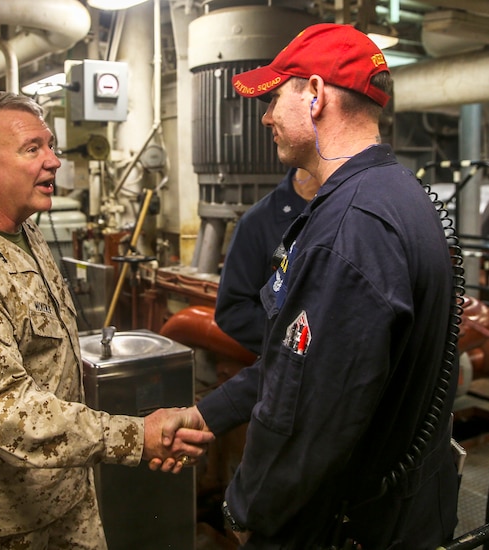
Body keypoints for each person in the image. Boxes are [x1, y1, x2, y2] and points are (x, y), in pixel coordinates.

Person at [155, 23, 459, 549]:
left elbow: (309, 420)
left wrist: (246, 508)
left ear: (315, 95)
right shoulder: (399, 194)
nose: (267, 116)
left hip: (350, 528)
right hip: (404, 512)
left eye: (275, 99)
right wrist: (204, 413)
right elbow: (298, 364)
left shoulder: (348, 229)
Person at [0, 91, 213, 549]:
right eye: (33, 149)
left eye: (51, 146)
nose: (54, 161)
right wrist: (136, 437)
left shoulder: (21, 228)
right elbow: (6, 412)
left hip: (62, 497)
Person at [215, 167, 318, 354]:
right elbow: (233, 311)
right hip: (289, 371)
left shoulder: (355, 211)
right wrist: (300, 344)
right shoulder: (258, 222)